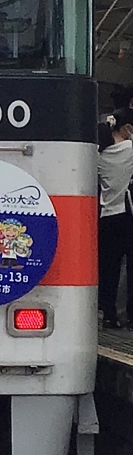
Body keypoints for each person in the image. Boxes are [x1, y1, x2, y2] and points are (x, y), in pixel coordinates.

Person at [98, 108, 133, 328]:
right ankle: (129, 315)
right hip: (127, 215)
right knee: (131, 268)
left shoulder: (100, 155)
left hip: (107, 216)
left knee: (108, 268)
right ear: (127, 128)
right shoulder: (129, 148)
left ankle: (109, 315)